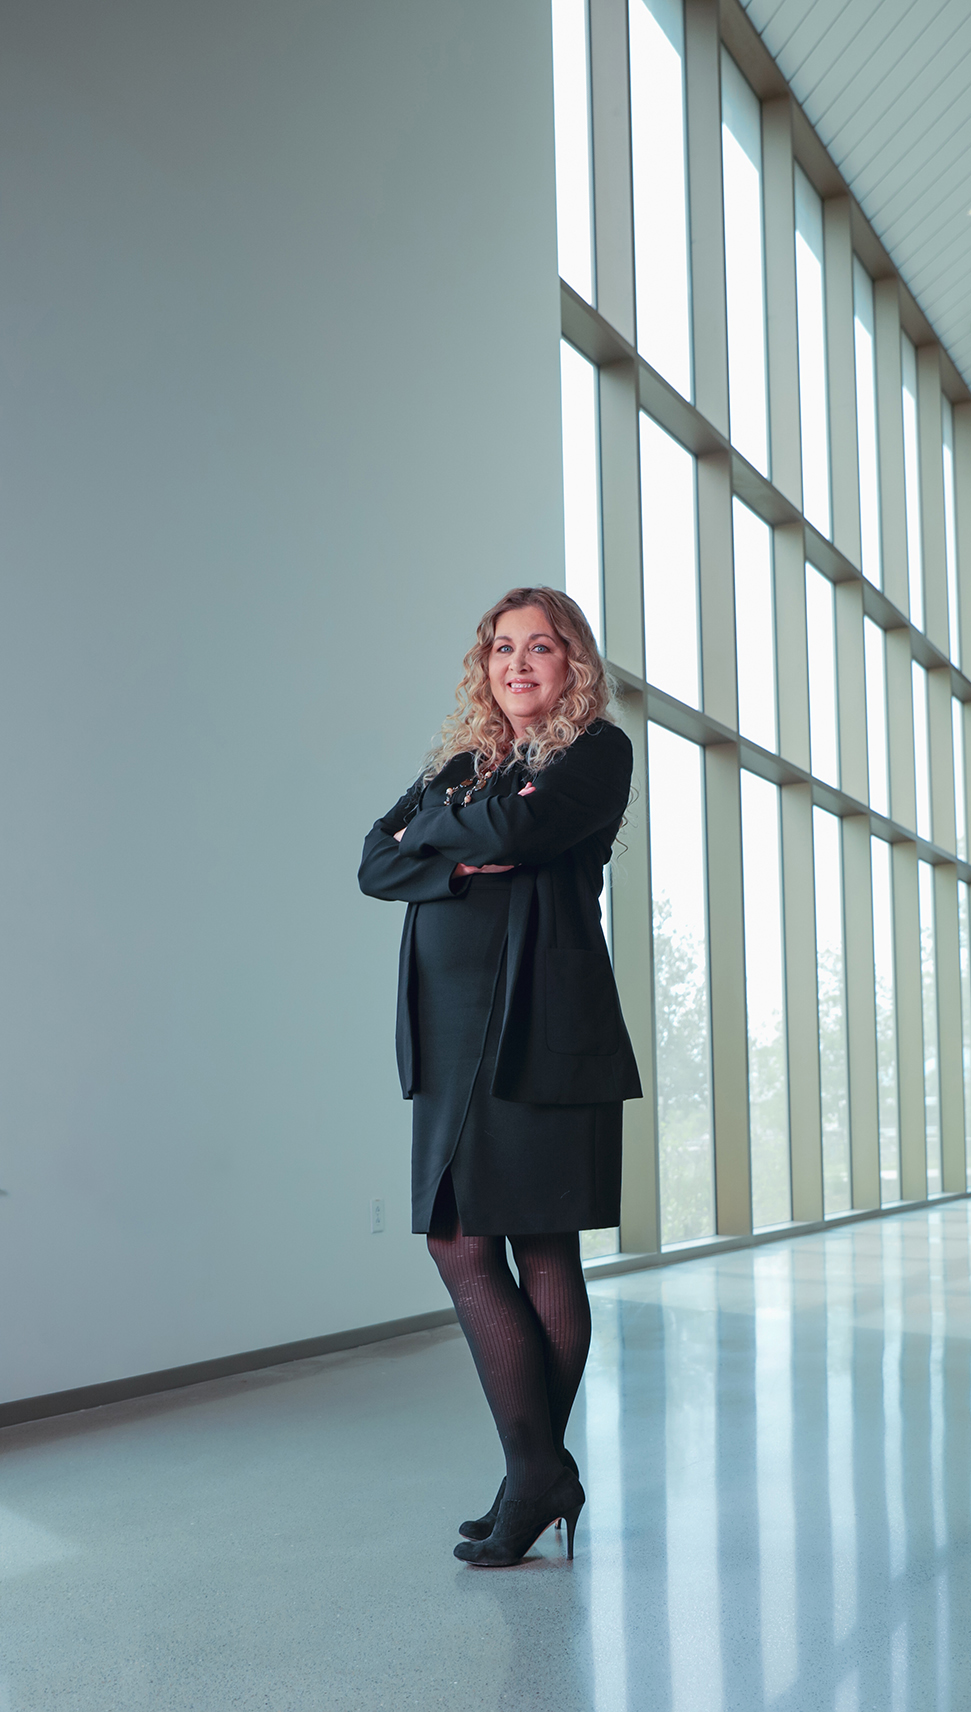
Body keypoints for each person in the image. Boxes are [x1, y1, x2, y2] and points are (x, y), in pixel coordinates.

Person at [358, 587, 641, 1568]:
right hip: (448, 1038)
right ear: (485, 666)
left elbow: (516, 840)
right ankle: (539, 1474)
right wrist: (455, 847)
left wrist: (441, 837)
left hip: (540, 1030)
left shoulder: (596, 752)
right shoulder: (457, 765)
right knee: (461, 1243)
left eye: (542, 647)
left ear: (573, 663)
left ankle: (532, 1477)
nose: (518, 664)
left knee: (537, 1247)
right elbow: (370, 862)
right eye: (503, 648)